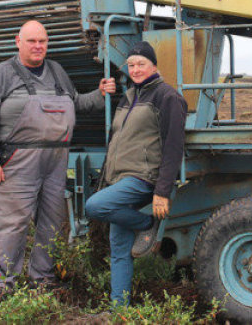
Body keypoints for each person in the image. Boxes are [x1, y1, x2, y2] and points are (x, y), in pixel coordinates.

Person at [0, 20, 115, 295]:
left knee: (52, 221)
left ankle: (42, 278)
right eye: (32, 41)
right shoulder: (1, 74)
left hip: (56, 160)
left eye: (42, 41)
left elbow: (76, 103)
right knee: (11, 223)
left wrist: (99, 94)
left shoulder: (56, 71)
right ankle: (0, 284)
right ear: (18, 41)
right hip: (18, 159)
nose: (38, 46)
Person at [84, 41, 187, 307]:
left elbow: (174, 147)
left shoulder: (168, 97)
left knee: (94, 206)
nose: (136, 69)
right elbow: (116, 141)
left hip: (143, 178)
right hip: (119, 178)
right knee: (119, 251)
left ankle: (145, 224)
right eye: (131, 65)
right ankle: (119, 310)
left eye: (141, 64)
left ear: (154, 65)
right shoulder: (129, 97)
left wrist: (162, 192)